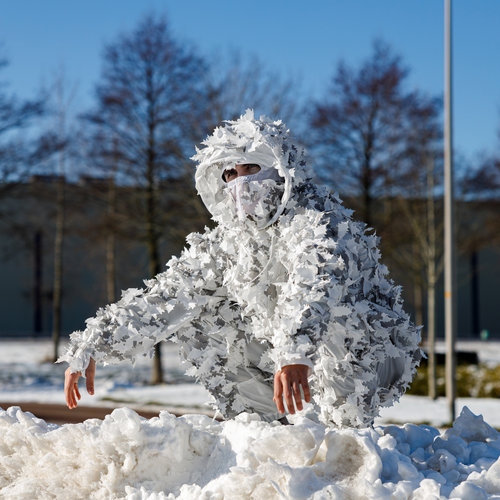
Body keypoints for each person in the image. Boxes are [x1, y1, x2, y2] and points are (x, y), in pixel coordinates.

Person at [60, 110, 422, 428]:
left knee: (338, 316)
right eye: (230, 173)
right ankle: (261, 427)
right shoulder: (229, 241)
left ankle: (345, 436)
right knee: (199, 314)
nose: (240, 182)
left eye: (251, 168)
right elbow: (169, 296)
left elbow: (316, 284)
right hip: (287, 354)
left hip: (366, 352)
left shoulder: (319, 222)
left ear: (281, 170)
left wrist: (295, 352)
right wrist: (94, 344)